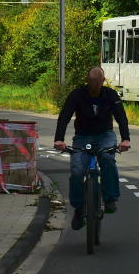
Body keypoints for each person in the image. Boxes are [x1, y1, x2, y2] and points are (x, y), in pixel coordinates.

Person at [54, 67, 131, 230]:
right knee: (76, 170)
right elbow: (64, 117)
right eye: (92, 82)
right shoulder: (77, 94)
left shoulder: (110, 95)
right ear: (87, 81)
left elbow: (121, 118)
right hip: (83, 137)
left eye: (98, 83)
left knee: (108, 159)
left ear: (103, 81)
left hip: (105, 135)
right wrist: (59, 139)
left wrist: (125, 139)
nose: (95, 86)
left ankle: (110, 199)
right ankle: (79, 208)